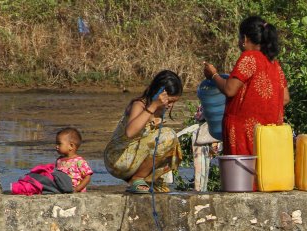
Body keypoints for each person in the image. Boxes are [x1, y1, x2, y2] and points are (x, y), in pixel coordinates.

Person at [202, 15, 290, 157]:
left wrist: (213, 75)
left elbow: (229, 90)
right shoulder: (274, 64)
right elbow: (285, 98)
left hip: (244, 134)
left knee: (242, 175)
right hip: (269, 134)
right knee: (264, 173)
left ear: (244, 39)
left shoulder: (249, 58)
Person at [104, 70, 183, 194]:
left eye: (174, 102)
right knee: (168, 135)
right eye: (170, 101)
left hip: (133, 158)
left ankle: (145, 180)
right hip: (118, 158)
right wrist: (152, 106)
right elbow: (130, 132)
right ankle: (137, 179)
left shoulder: (160, 110)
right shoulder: (139, 105)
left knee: (171, 143)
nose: (170, 106)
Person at [55, 127, 93, 192]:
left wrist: (77, 189)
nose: (56, 146)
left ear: (71, 146)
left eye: (59, 143)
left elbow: (87, 177)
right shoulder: (59, 160)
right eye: (56, 143)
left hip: (76, 191)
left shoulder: (79, 161)